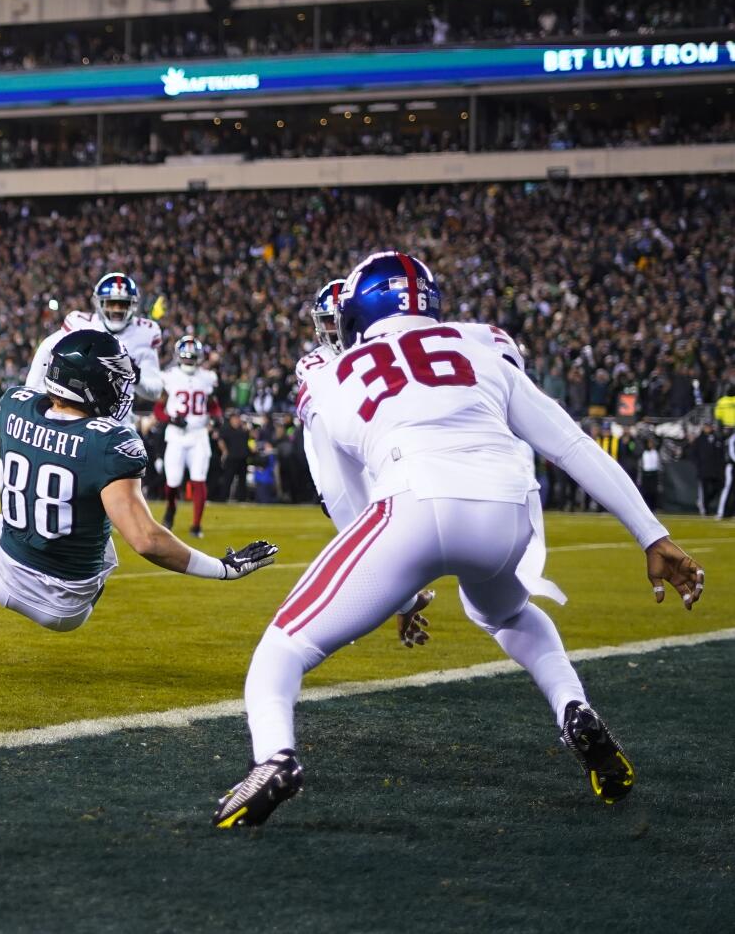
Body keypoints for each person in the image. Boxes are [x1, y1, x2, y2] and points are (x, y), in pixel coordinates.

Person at [214, 251, 706, 828]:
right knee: (505, 614)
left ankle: (275, 758)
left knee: (284, 648)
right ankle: (573, 706)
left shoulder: (330, 374)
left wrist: (396, 591)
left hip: (411, 501)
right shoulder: (479, 345)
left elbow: (349, 501)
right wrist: (652, 534)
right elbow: (569, 445)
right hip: (508, 508)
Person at [0, 330, 279, 680]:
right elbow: (145, 540)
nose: (120, 389)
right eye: (113, 380)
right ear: (89, 383)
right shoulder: (111, 441)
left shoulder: (13, 407)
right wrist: (223, 570)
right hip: (74, 599)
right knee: (101, 531)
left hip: (11, 578)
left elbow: (39, 387)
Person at [25, 272, 163, 426]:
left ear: (133, 305)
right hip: (77, 417)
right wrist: (32, 393)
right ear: (99, 303)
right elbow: (46, 352)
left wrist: (138, 377)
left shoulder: (145, 333)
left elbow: (155, 392)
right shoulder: (80, 323)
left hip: (118, 422)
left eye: (122, 304)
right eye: (111, 303)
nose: (117, 309)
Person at [156, 335, 220, 536]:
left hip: (199, 434)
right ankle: (170, 509)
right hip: (175, 435)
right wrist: (171, 419)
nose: (189, 361)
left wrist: (217, 417)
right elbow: (158, 409)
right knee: (172, 482)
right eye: (186, 357)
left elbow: (212, 404)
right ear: (178, 357)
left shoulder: (207, 377)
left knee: (199, 479)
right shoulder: (169, 376)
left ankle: (196, 525)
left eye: (192, 357)